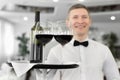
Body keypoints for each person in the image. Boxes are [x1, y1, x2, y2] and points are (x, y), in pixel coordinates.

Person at [46, 4, 120, 80]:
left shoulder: (104, 50)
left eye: (84, 17)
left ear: (90, 21)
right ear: (68, 23)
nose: (80, 21)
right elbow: (47, 78)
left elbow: (115, 78)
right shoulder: (55, 51)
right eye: (75, 17)